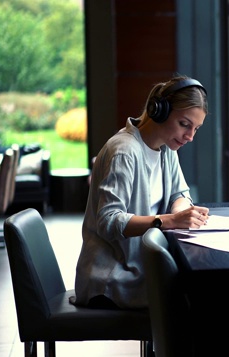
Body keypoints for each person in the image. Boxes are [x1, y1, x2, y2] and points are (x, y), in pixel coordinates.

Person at [73, 75, 210, 309]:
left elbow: (179, 193)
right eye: (184, 124)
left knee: (201, 294)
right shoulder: (124, 152)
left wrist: (182, 214)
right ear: (160, 110)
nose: (190, 136)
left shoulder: (167, 149)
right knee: (197, 298)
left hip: (142, 267)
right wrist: (169, 220)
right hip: (112, 277)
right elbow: (108, 221)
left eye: (196, 128)